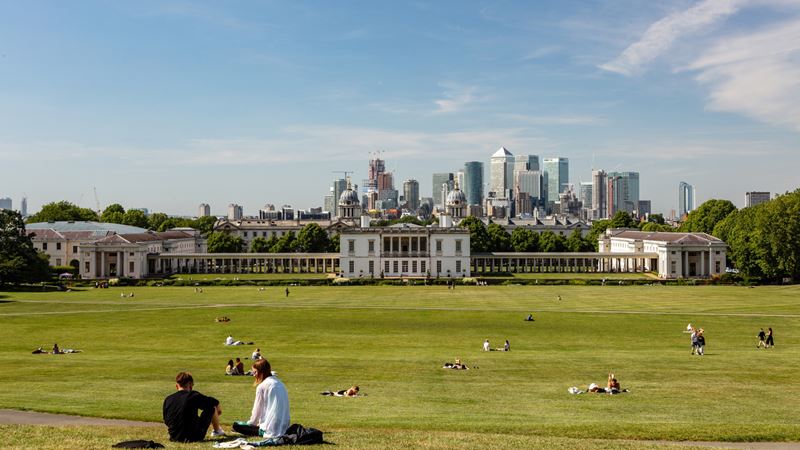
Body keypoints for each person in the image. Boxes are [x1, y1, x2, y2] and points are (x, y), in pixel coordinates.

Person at [233, 359, 290, 438]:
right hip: (285, 426)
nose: (254, 375)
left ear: (261, 372)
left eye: (255, 372)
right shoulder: (280, 383)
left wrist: (251, 423)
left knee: (236, 425)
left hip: (270, 429)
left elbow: (257, 410)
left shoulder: (262, 386)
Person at [163, 371, 225, 442]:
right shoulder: (193, 396)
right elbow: (212, 402)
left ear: (177, 386)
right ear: (191, 385)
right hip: (193, 437)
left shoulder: (168, 399)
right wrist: (218, 406)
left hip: (174, 437)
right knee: (211, 407)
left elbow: (166, 420)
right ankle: (217, 431)